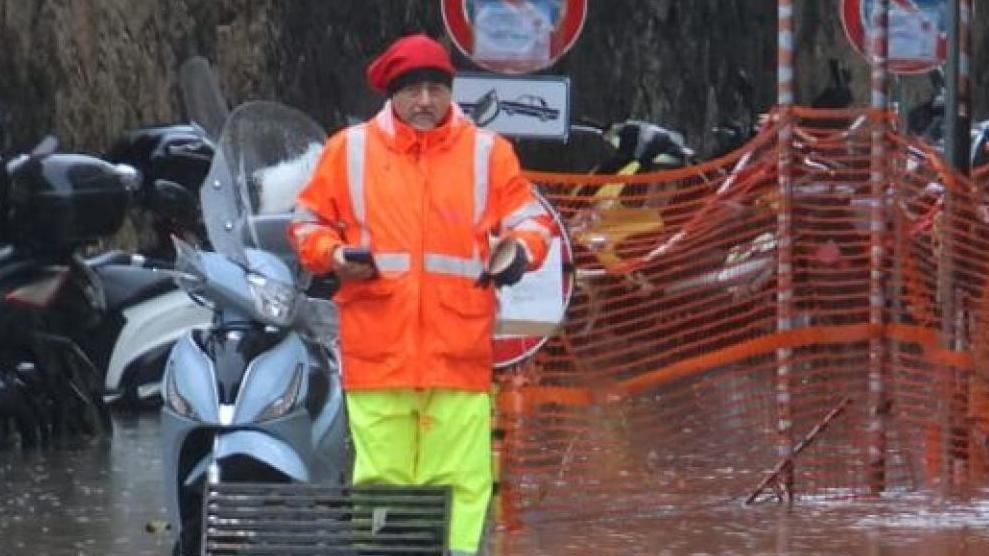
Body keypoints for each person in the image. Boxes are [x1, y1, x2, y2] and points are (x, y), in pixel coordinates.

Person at [289, 33, 555, 556]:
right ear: (392, 94)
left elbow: (533, 220)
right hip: (378, 349)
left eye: (437, 88)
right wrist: (335, 256)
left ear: (452, 91)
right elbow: (307, 225)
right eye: (414, 90)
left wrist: (521, 251)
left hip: (458, 351)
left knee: (459, 480)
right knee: (382, 482)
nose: (426, 101)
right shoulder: (349, 149)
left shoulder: (488, 152)